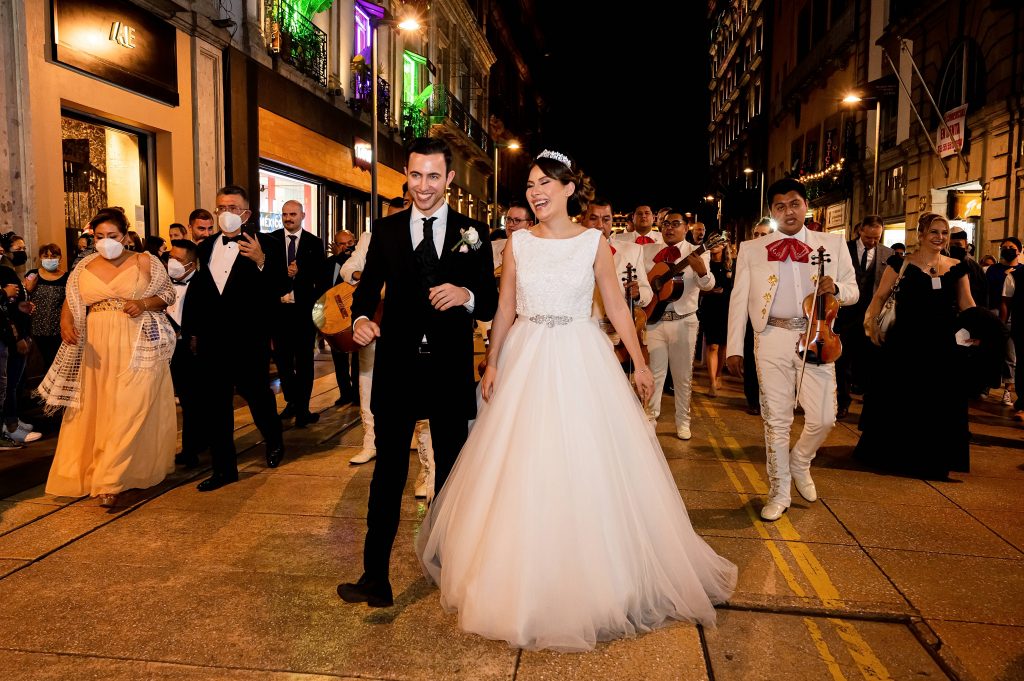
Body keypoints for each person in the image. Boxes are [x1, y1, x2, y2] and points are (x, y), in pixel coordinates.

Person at [416, 149, 736, 651]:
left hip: (580, 355)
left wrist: (641, 363)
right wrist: (494, 359)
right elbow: (503, 308)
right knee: (522, 467)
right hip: (526, 354)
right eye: (530, 184)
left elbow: (614, 306)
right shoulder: (519, 244)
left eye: (545, 183)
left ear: (569, 190)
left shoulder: (594, 242)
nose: (535, 192)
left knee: (584, 465)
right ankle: (521, 576)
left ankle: (596, 577)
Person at [336, 137, 499, 608]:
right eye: (415, 175)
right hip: (396, 370)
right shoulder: (384, 231)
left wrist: (465, 295)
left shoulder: (473, 232)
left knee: (451, 474)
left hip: (448, 372)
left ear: (449, 179)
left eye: (433, 176)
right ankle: (375, 577)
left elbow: (488, 300)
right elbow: (366, 294)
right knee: (387, 473)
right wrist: (362, 320)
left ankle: (454, 571)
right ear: (404, 176)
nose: (423, 186)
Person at [726, 179, 858, 521]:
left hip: (817, 337)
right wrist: (733, 346)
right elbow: (738, 299)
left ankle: (801, 461)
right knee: (776, 419)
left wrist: (838, 288)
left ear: (805, 207)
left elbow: (854, 290)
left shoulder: (831, 243)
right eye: (781, 206)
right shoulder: (752, 248)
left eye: (795, 204)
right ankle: (779, 490)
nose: (789, 211)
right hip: (770, 336)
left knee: (825, 417)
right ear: (772, 211)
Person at [41, 208, 177, 507]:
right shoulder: (84, 266)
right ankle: (103, 473)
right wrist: (66, 322)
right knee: (101, 407)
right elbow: (71, 299)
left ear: (125, 235)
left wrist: (142, 303)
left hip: (137, 342)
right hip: (96, 346)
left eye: (112, 236)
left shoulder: (144, 260)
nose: (105, 242)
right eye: (99, 237)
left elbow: (167, 295)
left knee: (132, 406)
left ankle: (111, 479)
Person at [182, 185, 289, 491]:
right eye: (221, 208)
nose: (225, 213)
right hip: (213, 341)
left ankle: (274, 440)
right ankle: (224, 469)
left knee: (257, 396)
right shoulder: (204, 247)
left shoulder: (266, 243)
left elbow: (280, 286)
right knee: (216, 406)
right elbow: (199, 294)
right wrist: (192, 332)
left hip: (248, 339)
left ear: (246, 213)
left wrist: (261, 260)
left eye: (232, 207)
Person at [858, 213, 976, 476]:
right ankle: (897, 455)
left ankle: (932, 459)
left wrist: (976, 331)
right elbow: (879, 297)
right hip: (906, 342)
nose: (940, 238)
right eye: (934, 232)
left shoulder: (957, 266)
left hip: (942, 344)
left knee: (936, 403)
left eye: (944, 233)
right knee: (903, 398)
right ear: (920, 234)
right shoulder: (901, 263)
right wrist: (872, 324)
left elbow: (967, 304)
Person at [643, 212, 715, 438]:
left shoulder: (697, 253)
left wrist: (702, 270)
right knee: (655, 374)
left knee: (682, 376)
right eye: (666, 224)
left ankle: (683, 421)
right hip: (655, 321)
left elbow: (708, 285)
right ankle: (649, 418)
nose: (670, 228)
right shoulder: (650, 252)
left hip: (684, 321)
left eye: (676, 224)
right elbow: (646, 283)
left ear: (687, 228)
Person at [271, 200, 326, 426]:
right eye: (284, 214)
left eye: (293, 214)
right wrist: (284, 274)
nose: (288, 218)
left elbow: (321, 278)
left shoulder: (314, 243)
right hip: (279, 312)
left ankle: (302, 407)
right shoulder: (271, 240)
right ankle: (291, 401)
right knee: (282, 362)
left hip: (303, 312)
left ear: (303, 215)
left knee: (304, 362)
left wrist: (300, 274)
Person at [835, 216, 893, 419]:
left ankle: (870, 407)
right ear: (860, 231)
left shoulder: (888, 254)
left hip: (871, 318)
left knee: (870, 363)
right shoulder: (843, 249)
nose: (873, 242)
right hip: (845, 316)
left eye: (877, 238)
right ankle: (842, 402)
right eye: (869, 237)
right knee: (841, 362)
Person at [166, 239, 206, 468]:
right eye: (171, 257)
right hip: (164, 349)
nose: (172, 263)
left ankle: (191, 449)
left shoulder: (202, 284)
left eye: (178, 260)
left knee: (192, 402)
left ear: (191, 264)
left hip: (188, 350)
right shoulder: (161, 282)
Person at [0, 233, 36, 443]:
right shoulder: (4, 271)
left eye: (24, 247)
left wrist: (22, 303)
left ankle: (12, 422)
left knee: (12, 382)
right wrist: (18, 335)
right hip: (10, 334)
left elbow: (14, 305)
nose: (22, 252)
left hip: (14, 332)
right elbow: (6, 310)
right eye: (18, 249)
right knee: (8, 384)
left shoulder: (9, 270)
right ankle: (10, 425)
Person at [320, 229, 359, 407]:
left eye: (349, 243)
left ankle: (358, 394)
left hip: (355, 316)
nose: (345, 248)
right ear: (335, 245)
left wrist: (342, 257)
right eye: (341, 244)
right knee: (339, 357)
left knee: (358, 357)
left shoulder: (359, 263)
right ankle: (345, 393)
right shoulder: (328, 264)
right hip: (334, 318)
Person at [742, 218, 773, 414]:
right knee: (752, 360)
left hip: (774, 320)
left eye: (764, 234)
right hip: (751, 317)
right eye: (756, 234)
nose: (759, 238)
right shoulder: (747, 256)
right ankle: (753, 400)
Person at [25, 243, 69, 373]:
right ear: (40, 257)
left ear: (60, 257)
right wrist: (28, 289)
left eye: (54, 256)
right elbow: (22, 295)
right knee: (38, 361)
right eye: (46, 256)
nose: (50, 259)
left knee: (57, 361)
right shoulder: (33, 275)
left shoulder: (67, 277)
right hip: (35, 327)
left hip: (57, 328)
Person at [701, 238, 733, 397]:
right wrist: (709, 292)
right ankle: (712, 381)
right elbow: (698, 287)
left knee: (723, 346)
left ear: (724, 245)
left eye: (718, 243)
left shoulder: (730, 265)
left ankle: (719, 374)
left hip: (727, 309)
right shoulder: (705, 264)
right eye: (712, 243)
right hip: (710, 307)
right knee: (712, 345)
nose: (715, 246)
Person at [948, 228, 988, 308]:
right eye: (950, 245)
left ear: (966, 245)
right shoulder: (940, 265)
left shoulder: (976, 268)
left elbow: (983, 295)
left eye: (957, 244)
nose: (953, 248)